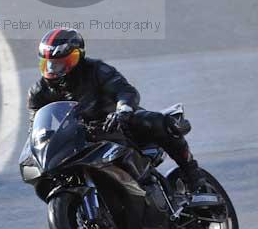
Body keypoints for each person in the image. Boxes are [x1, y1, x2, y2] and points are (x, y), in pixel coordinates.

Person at [27, 29, 203, 190]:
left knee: (158, 122)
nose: (55, 69)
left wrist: (123, 111)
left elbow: (124, 91)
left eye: (63, 62)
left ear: (78, 57)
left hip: (117, 123)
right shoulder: (39, 92)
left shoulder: (97, 70)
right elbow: (35, 126)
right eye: (49, 64)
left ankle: (193, 175)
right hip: (80, 137)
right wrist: (36, 148)